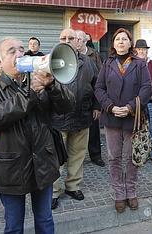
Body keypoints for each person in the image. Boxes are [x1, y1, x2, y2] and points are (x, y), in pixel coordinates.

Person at [0, 37, 74, 233]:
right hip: (13, 167)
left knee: (45, 220)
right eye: (11, 51)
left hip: (43, 162)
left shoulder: (38, 79)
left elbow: (68, 106)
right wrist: (29, 93)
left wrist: (52, 86)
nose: (19, 54)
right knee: (14, 226)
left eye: (21, 50)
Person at [95, 28, 152, 213]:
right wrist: (111, 107)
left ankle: (131, 191)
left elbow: (146, 88)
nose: (121, 42)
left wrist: (129, 107)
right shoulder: (107, 63)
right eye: (117, 39)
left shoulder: (139, 64)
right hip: (111, 118)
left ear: (130, 43)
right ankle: (119, 194)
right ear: (113, 44)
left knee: (131, 158)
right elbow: (99, 88)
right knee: (114, 157)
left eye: (124, 39)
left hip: (132, 119)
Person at [51, 29, 100, 210]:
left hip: (82, 117)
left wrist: (96, 106)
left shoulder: (88, 62)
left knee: (78, 155)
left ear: (78, 41)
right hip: (57, 119)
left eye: (70, 38)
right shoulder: (51, 60)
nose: (67, 40)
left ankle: (72, 187)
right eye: (63, 37)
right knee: (55, 158)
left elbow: (97, 85)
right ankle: (54, 192)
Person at [78, 31, 105, 167]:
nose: (75, 42)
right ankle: (76, 158)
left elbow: (99, 81)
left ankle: (96, 156)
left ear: (84, 40)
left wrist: (97, 106)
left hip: (91, 100)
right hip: (75, 102)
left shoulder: (94, 54)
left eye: (78, 39)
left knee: (94, 131)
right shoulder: (69, 54)